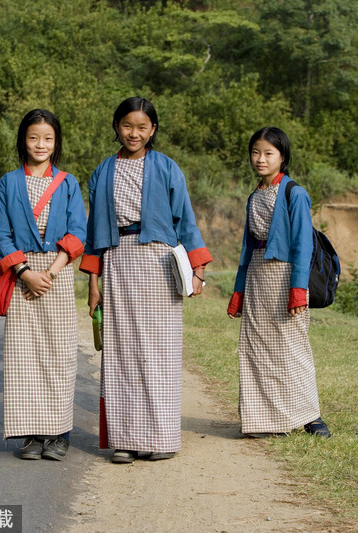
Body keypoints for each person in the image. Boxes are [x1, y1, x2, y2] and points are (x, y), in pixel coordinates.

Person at [80, 96, 213, 463]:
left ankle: (159, 437)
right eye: (127, 126)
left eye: (142, 127)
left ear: (153, 129)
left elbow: (185, 219)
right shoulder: (102, 171)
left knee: (159, 351)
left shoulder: (168, 168)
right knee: (121, 353)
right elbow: (93, 233)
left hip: (158, 262)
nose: (133, 133)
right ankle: (123, 438)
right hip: (118, 261)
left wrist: (198, 268)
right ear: (116, 127)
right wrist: (94, 283)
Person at [0, 109, 87, 460]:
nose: (40, 144)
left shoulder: (68, 182)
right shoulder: (8, 182)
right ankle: (31, 435)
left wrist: (52, 270)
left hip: (56, 275)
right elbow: (2, 235)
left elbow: (78, 232)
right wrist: (25, 273)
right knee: (24, 358)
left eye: (48, 138)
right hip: (23, 274)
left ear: (56, 142)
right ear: (23, 140)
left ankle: (58, 433)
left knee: (58, 355)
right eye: (33, 137)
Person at [227, 127, 331, 438]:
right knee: (257, 349)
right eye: (256, 152)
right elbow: (248, 248)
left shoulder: (294, 193)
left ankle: (311, 417)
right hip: (258, 277)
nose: (261, 159)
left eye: (268, 153)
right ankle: (267, 421)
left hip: (285, 277)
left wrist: (298, 289)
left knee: (291, 347)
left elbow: (303, 244)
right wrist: (238, 291)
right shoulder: (254, 195)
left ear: (282, 157)